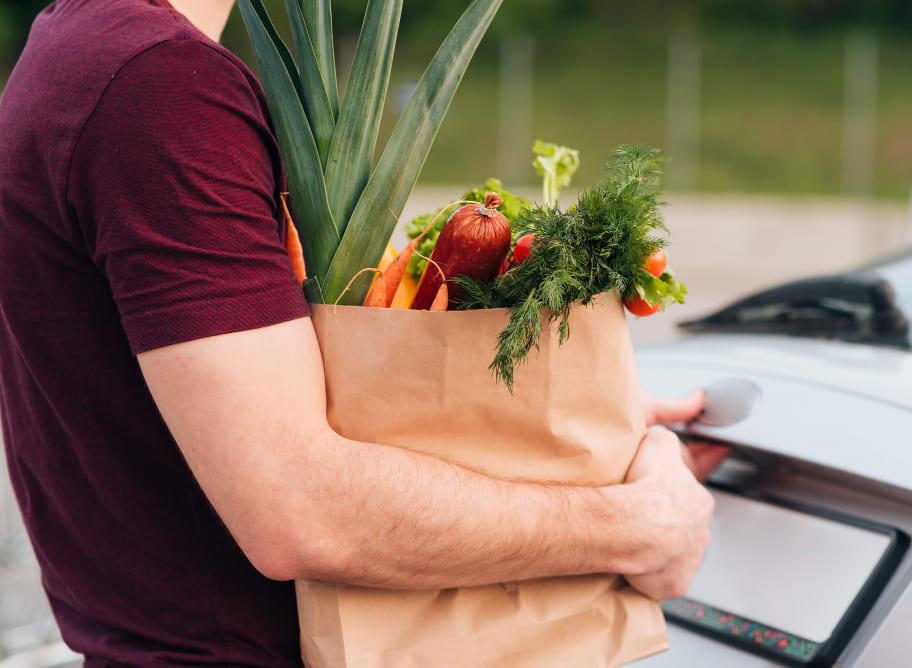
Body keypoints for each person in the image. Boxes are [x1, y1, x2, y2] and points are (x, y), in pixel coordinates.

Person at [0, 0, 728, 665]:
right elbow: (299, 510)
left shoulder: (71, 49)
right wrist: (635, 527)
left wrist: (571, 432)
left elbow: (235, 406)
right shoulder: (160, 90)